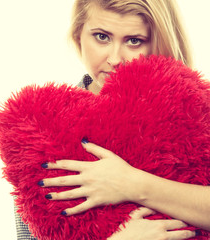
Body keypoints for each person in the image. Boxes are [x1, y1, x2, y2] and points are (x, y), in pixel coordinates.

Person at [15, 0, 209, 239]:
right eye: (101, 37)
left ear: (160, 40)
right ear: (78, 36)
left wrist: (132, 184)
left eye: (134, 40)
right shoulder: (42, 127)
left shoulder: (198, 110)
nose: (115, 58)